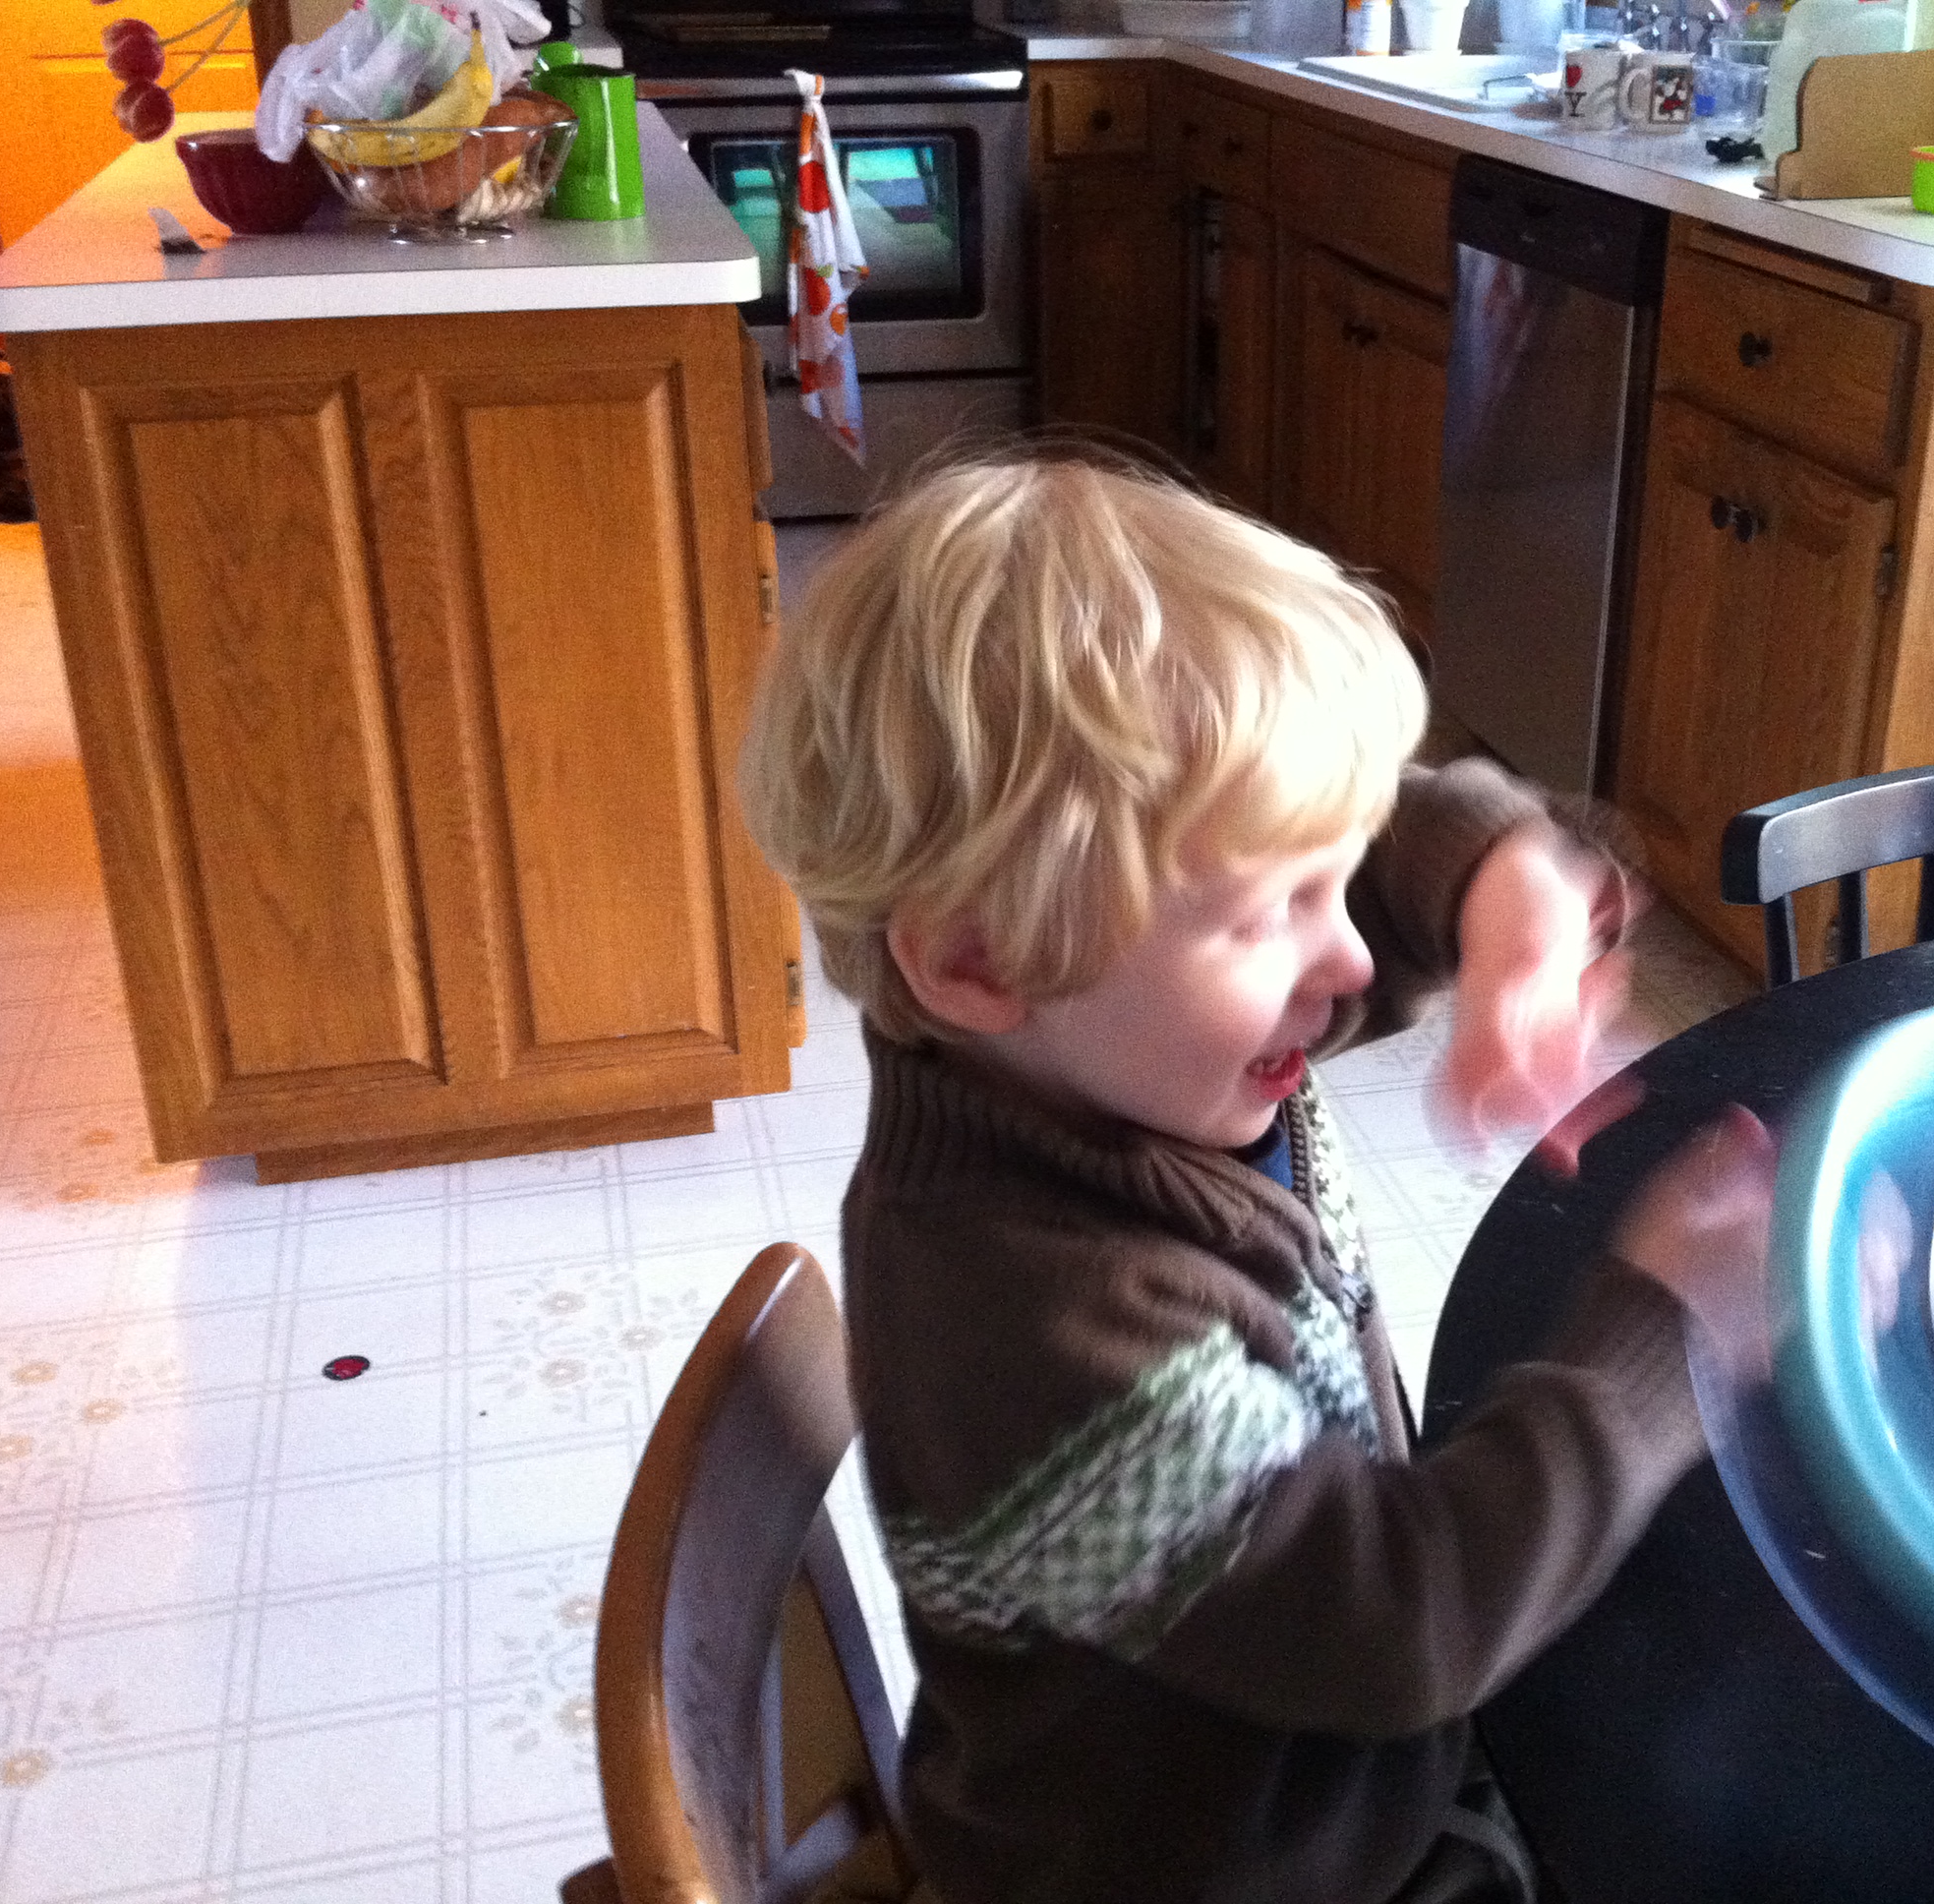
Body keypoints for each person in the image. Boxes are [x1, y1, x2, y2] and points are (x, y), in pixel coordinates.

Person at [740, 451, 1776, 1904]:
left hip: (1302, 1779)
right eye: (1275, 911)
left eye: (1329, 878)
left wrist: (1499, 884)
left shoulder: (1095, 1041)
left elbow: (1373, 842)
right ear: (978, 955)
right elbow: (1402, 1623)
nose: (1347, 955)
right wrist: (1671, 1331)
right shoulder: (1037, 1328)